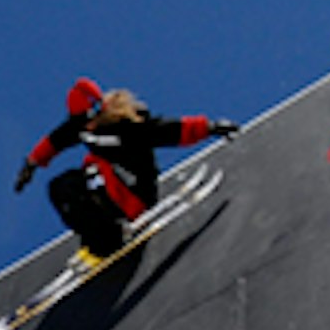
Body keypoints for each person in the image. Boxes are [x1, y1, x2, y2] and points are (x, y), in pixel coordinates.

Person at [14, 77, 238, 257]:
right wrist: (30, 165)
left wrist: (212, 127)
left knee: (93, 172)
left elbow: (171, 130)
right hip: (108, 191)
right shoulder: (80, 128)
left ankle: (112, 232)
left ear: (100, 110)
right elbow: (53, 142)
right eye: (81, 123)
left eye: (91, 119)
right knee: (61, 186)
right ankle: (96, 236)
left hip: (135, 192)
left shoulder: (127, 126)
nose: (88, 126)